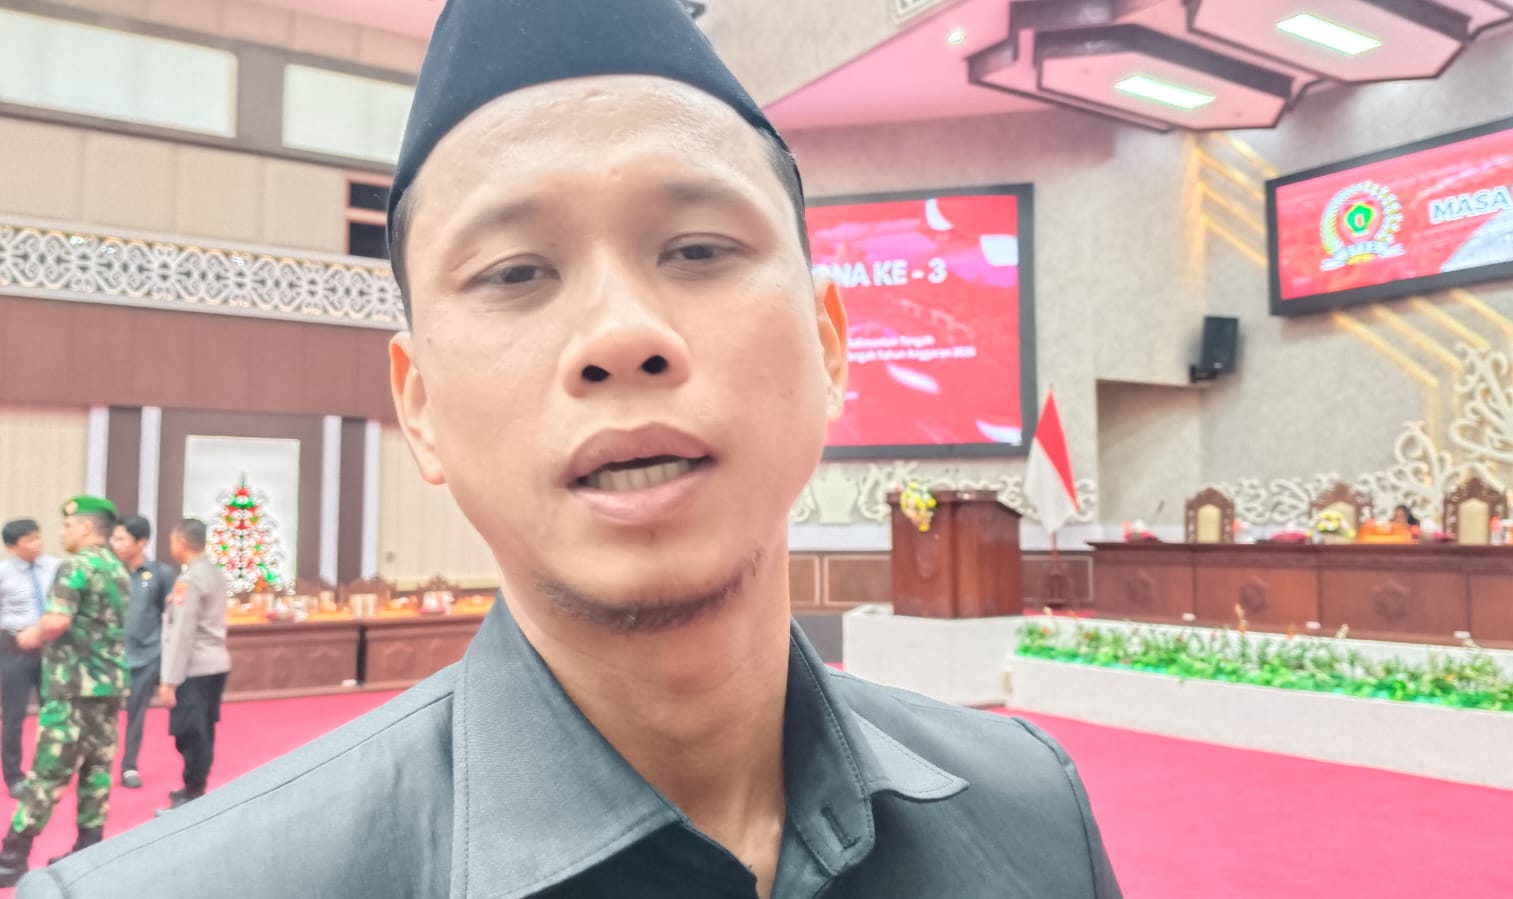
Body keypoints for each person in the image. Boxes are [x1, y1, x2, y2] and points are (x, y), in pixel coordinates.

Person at [26, 1, 1120, 896]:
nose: (621, 336)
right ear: (420, 408)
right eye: (514, 272)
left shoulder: (1030, 813)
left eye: (698, 248)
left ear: (829, 346)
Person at [0, 497, 129, 886]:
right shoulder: (117, 567)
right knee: (97, 768)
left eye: (68, 525)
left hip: (73, 686)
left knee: (48, 771)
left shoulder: (75, 566)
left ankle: (11, 857)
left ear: (86, 527)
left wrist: (31, 634)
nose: (62, 533)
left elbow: (56, 621)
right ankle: (89, 849)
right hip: (107, 685)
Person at [154, 519, 230, 811]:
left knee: (190, 731)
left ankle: (193, 791)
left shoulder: (190, 580)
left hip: (194, 667)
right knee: (205, 728)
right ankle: (195, 786)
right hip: (216, 663)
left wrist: (169, 680)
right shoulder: (214, 572)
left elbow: (182, 633)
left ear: (182, 542)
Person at [108, 515, 174, 790]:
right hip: (109, 657)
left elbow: (168, 616)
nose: (115, 544)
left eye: (121, 539)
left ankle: (129, 766)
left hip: (146, 656)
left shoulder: (160, 573)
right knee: (104, 715)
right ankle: (98, 767)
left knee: (136, 715)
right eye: (114, 538)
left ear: (141, 541)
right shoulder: (109, 572)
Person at [0, 521, 57, 799]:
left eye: (38, 537)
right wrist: (19, 630)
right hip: (15, 646)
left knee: (53, 711)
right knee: (14, 716)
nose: (37, 544)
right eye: (29, 540)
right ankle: (14, 776)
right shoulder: (3, 573)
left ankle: (49, 770)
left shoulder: (55, 567)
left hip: (52, 648)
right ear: (13, 546)